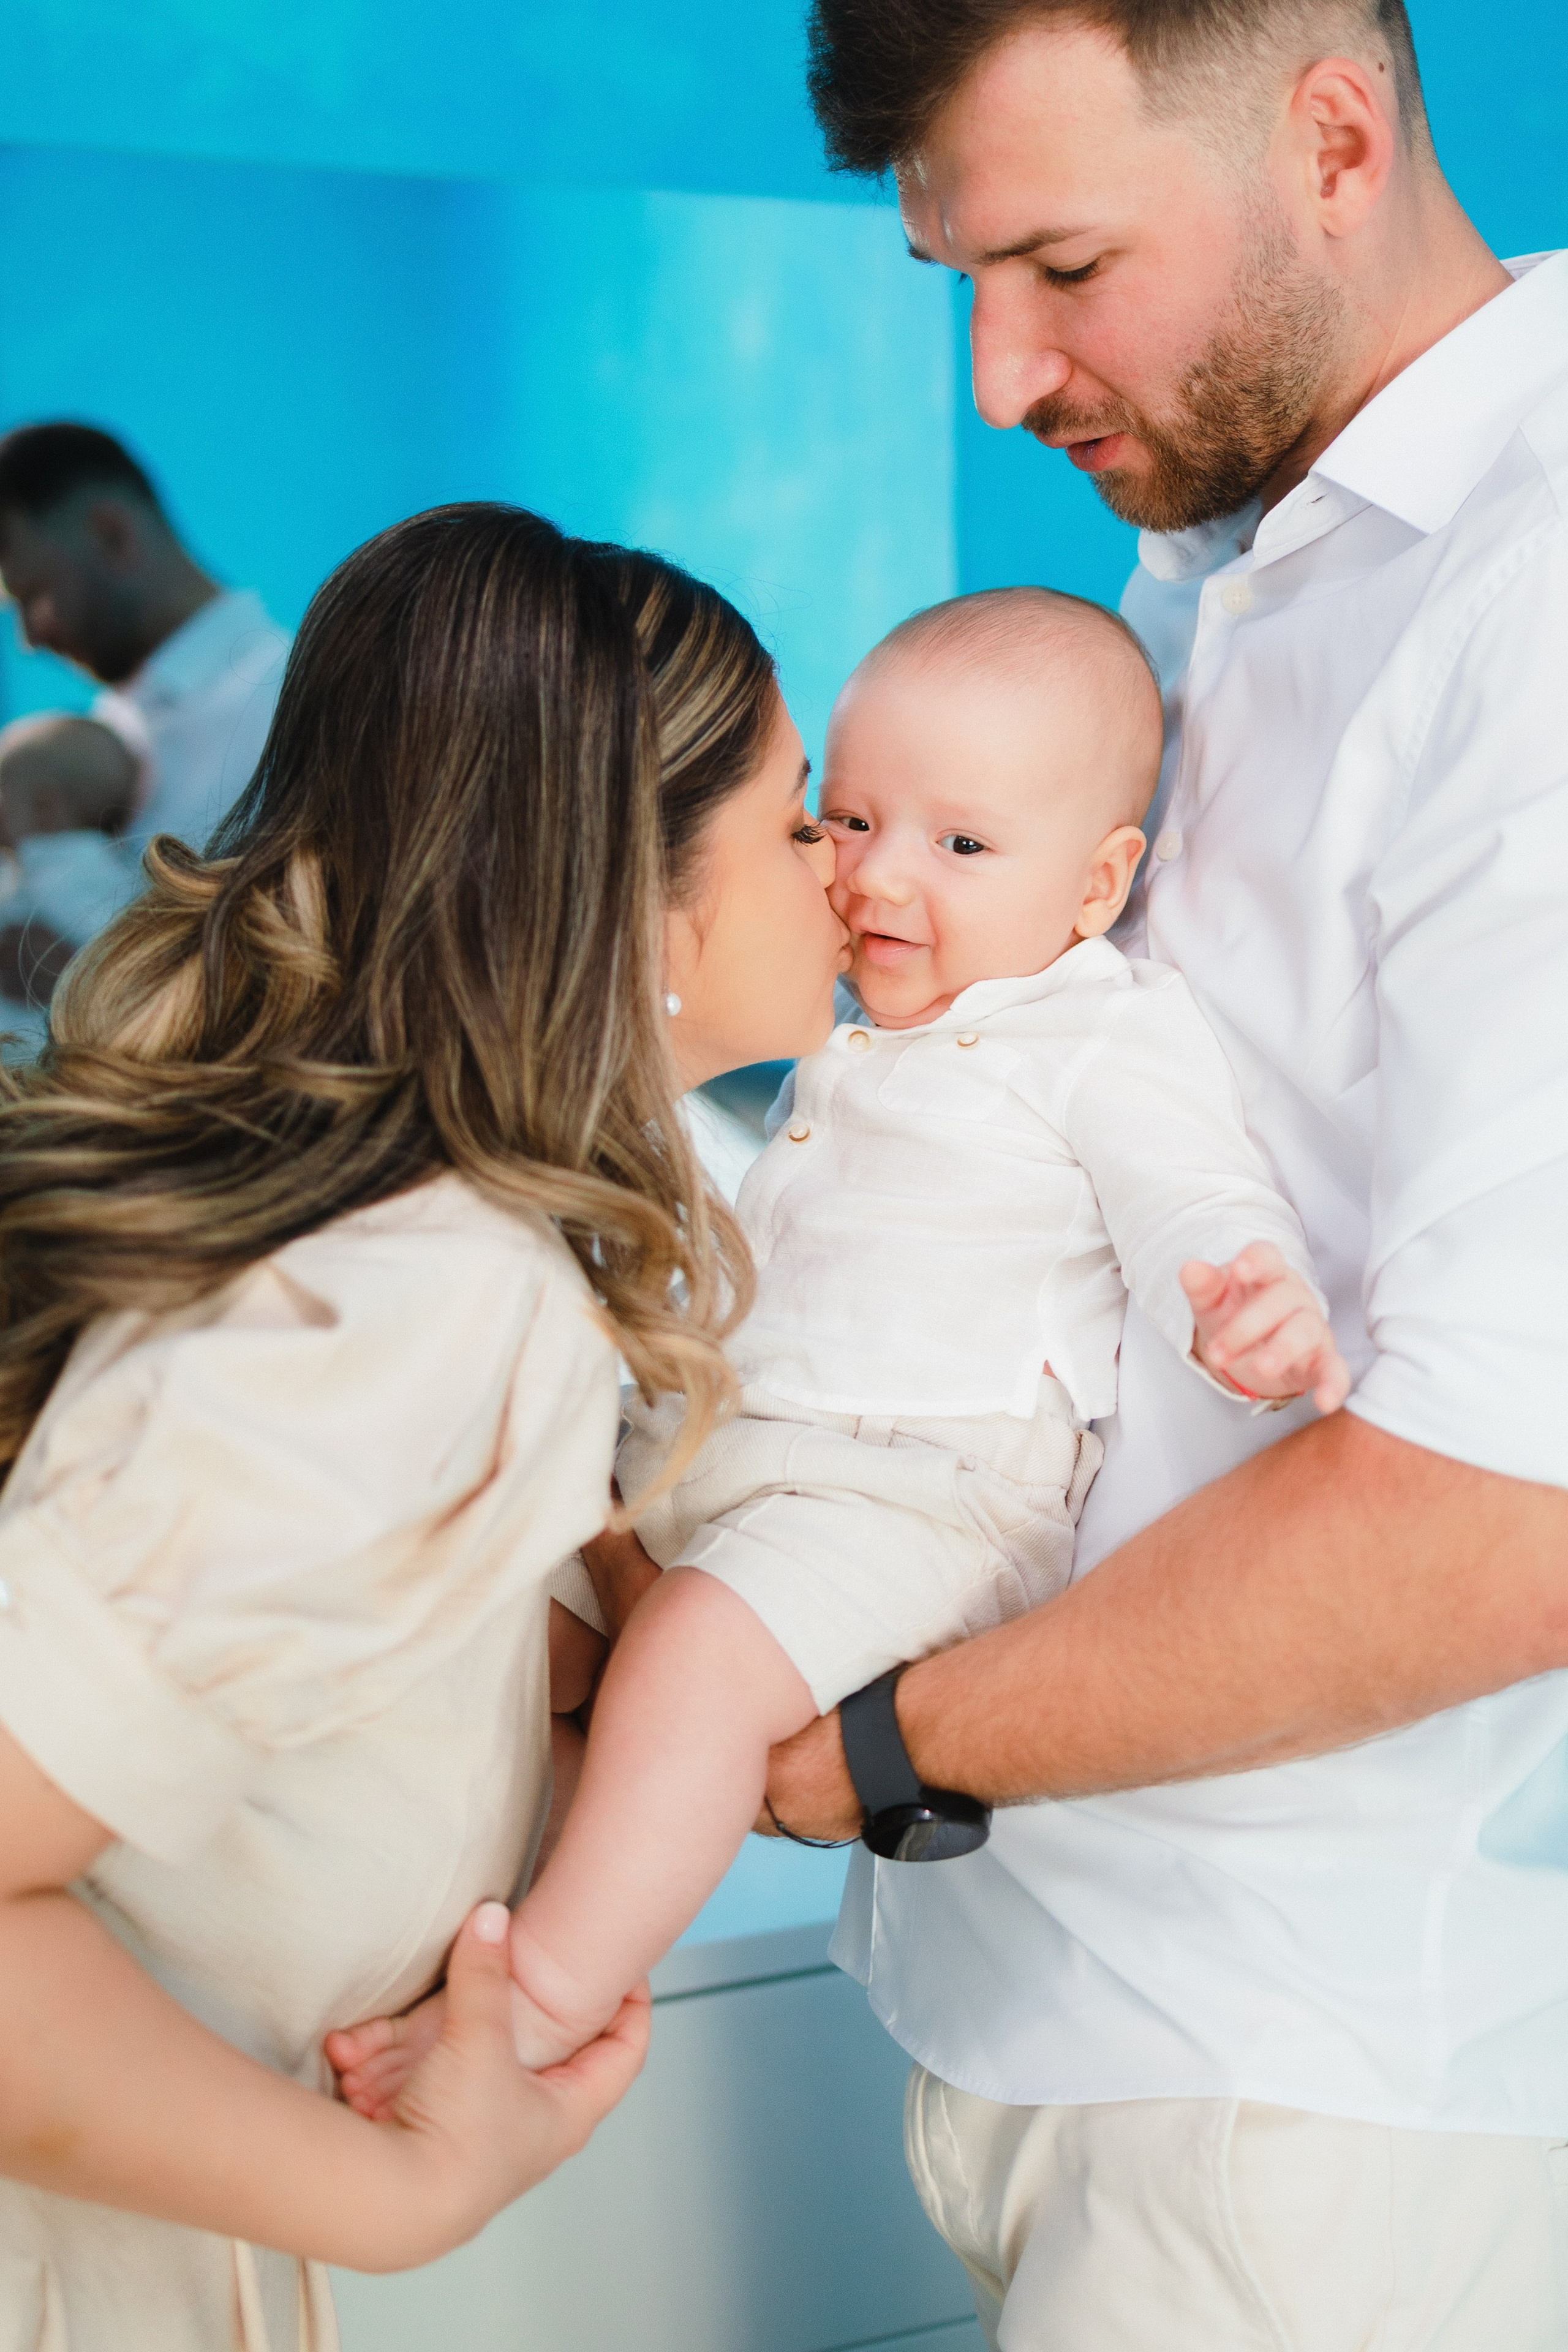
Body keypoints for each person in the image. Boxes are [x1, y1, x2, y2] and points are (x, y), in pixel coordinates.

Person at [0, 499, 851, 2349]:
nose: (842, 868)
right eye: (798, 817)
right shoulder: (437, 1305)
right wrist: (405, 2193)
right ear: (644, 903)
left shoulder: (438, 1256)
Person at [331, 585, 1347, 2097]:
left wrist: (1243, 1292)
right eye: (848, 818)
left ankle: (542, 1994)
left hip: (915, 1490)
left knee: (681, 1660)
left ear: (1092, 884)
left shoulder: (1092, 1030)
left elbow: (1189, 1186)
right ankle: (461, 1910)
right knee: (521, 1593)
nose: (875, 874)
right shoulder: (862, 1041)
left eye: (959, 844)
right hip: (751, 1465)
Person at [0, 422, 290, 1005]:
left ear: (111, 534)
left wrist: (74, 981)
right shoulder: (86, 740)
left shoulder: (287, 700)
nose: (29, 639)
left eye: (32, 595)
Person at [0, 714, 143, 1055]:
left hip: (45, 1057)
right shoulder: (115, 871)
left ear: (43, 807)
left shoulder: (70, 869)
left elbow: (116, 955)